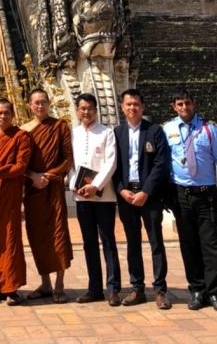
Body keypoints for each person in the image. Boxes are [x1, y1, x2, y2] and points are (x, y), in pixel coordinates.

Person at [163, 87, 217, 313]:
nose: (184, 107)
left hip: (206, 193)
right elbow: (163, 162)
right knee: (189, 243)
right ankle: (196, 290)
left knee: (211, 244)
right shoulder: (168, 129)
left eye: (187, 103)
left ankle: (214, 292)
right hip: (180, 194)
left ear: (194, 104)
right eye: (180, 104)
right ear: (174, 107)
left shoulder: (209, 129)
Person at [113, 88, 171, 310]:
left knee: (156, 241)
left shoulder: (154, 131)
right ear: (122, 107)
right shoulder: (117, 133)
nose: (132, 108)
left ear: (142, 106)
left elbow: (161, 163)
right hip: (127, 195)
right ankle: (137, 287)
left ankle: (160, 289)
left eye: (136, 104)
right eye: (128, 104)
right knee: (132, 242)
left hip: (150, 196)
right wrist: (121, 190)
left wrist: (146, 191)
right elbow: (113, 165)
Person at [69, 92, 121, 307]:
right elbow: (71, 164)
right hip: (82, 197)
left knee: (108, 241)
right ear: (77, 111)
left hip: (104, 196)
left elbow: (111, 163)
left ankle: (113, 288)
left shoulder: (107, 133)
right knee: (89, 243)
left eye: (90, 108)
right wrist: (74, 185)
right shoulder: (73, 134)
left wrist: (95, 185)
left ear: (96, 110)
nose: (86, 112)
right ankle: (94, 288)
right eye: (82, 108)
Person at [22, 88, 73, 303]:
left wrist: (49, 176)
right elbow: (20, 163)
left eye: (43, 102)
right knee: (37, 236)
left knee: (58, 234)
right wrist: (33, 176)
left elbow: (68, 158)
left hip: (53, 189)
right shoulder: (24, 130)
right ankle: (45, 283)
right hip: (33, 189)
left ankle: (59, 283)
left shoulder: (60, 126)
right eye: (36, 102)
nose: (40, 106)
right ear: (29, 105)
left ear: (49, 104)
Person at [0, 98, 32, 305]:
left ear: (13, 115)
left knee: (10, 240)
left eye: (6, 113)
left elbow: (21, 166)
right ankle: (0, 286)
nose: (3, 116)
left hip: (10, 194)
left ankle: (12, 288)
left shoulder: (21, 136)